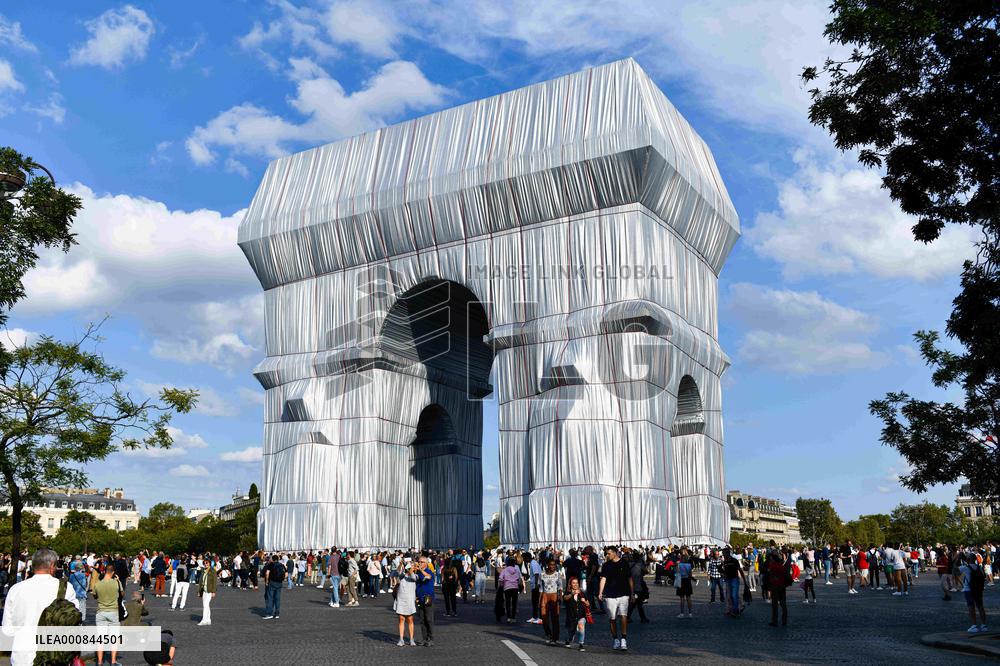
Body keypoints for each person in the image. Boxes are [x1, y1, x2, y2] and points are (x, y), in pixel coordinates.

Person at [1, 549, 79, 666]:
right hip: (54, 656)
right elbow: (75, 623)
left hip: (22, 656)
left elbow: (8, 630)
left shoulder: (16, 589)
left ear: (33, 566)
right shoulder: (66, 588)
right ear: (52, 565)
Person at [597, 546, 634, 652]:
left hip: (624, 593)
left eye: (608, 553)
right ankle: (615, 639)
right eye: (606, 553)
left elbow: (629, 578)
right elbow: (603, 578)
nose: (607, 555)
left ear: (615, 553)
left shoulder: (624, 563)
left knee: (623, 616)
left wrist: (632, 593)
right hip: (610, 594)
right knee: (612, 618)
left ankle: (623, 639)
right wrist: (600, 592)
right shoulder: (606, 565)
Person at [93, 562, 123, 666]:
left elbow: (95, 596)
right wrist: (118, 581)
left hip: (101, 612)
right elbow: (121, 594)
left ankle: (100, 662)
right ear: (113, 572)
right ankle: (113, 661)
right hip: (113, 611)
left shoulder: (97, 584)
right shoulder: (116, 582)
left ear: (105, 571)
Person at [959, 553, 988, 633]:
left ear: (968, 559)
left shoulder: (965, 568)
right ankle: (983, 625)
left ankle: (974, 625)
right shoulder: (979, 568)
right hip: (978, 589)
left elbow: (954, 571)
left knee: (971, 607)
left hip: (969, 589)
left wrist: (958, 559)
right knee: (980, 607)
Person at [394, 560, 419, 646]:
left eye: (411, 566)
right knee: (401, 619)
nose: (409, 568)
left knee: (410, 619)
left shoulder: (415, 576)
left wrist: (410, 569)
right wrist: (401, 565)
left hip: (409, 600)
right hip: (401, 599)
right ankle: (401, 639)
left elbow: (413, 577)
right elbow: (397, 573)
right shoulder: (403, 576)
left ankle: (411, 639)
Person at [539, 558, 565, 644]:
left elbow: (560, 587)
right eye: (551, 564)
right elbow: (541, 589)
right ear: (547, 565)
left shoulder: (557, 575)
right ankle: (549, 634)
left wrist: (560, 597)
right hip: (545, 596)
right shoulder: (542, 574)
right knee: (544, 618)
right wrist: (539, 601)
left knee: (555, 618)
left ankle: (555, 638)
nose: (553, 566)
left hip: (554, 596)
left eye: (554, 565)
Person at [563, 577, 589, 651]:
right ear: (570, 584)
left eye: (576, 583)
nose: (575, 584)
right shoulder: (568, 592)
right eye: (573, 583)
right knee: (571, 632)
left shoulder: (582, 593)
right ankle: (568, 639)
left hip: (581, 615)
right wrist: (572, 593)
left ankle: (581, 644)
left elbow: (588, 604)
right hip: (571, 616)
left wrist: (584, 601)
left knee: (581, 626)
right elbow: (565, 598)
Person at [767, 551, 791, 627]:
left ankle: (775, 621)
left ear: (773, 559)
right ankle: (784, 621)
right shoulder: (781, 566)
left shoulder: (772, 566)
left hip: (775, 586)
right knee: (783, 604)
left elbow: (770, 576)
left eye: (771, 559)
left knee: (775, 605)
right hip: (782, 586)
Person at [415, 555, 435, 646]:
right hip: (419, 598)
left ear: (426, 563)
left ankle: (431, 638)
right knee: (422, 619)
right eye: (419, 562)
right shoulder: (418, 573)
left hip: (428, 598)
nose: (419, 563)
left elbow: (429, 577)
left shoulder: (429, 571)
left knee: (429, 619)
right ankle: (424, 638)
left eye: (422, 562)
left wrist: (421, 570)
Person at [498, 556, 522, 623]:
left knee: (508, 603)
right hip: (515, 588)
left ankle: (508, 617)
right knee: (514, 603)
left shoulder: (505, 570)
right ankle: (513, 618)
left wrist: (502, 585)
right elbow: (519, 579)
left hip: (507, 587)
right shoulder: (516, 570)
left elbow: (500, 578)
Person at [263, 554, 286, 620]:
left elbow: (267, 573)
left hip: (272, 582)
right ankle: (277, 614)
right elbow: (286, 573)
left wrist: (267, 581)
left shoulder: (271, 564)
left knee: (270, 598)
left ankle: (269, 613)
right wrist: (282, 579)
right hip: (279, 583)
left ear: (273, 559)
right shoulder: (281, 565)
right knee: (277, 598)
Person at [198, 556, 217, 626]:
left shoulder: (213, 570)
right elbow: (200, 581)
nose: (206, 564)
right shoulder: (203, 570)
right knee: (206, 605)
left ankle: (204, 620)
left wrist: (214, 591)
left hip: (210, 590)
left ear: (209, 563)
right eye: (204, 563)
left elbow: (215, 582)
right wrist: (199, 591)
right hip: (204, 590)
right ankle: (208, 620)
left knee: (205, 605)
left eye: (207, 563)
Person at [674, 551, 694, 618]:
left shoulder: (679, 565)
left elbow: (676, 572)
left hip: (681, 581)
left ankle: (682, 613)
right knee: (688, 598)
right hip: (687, 581)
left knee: (682, 598)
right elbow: (690, 574)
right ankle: (690, 613)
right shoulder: (689, 565)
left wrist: (677, 565)